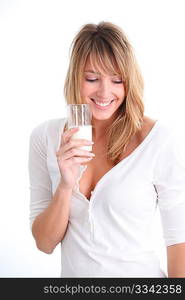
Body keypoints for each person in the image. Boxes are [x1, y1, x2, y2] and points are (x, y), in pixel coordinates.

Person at [28, 21, 185, 278]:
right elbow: (44, 243)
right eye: (92, 78)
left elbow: (179, 240)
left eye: (117, 80)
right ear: (75, 78)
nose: (104, 92)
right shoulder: (44, 137)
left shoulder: (159, 140)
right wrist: (66, 185)